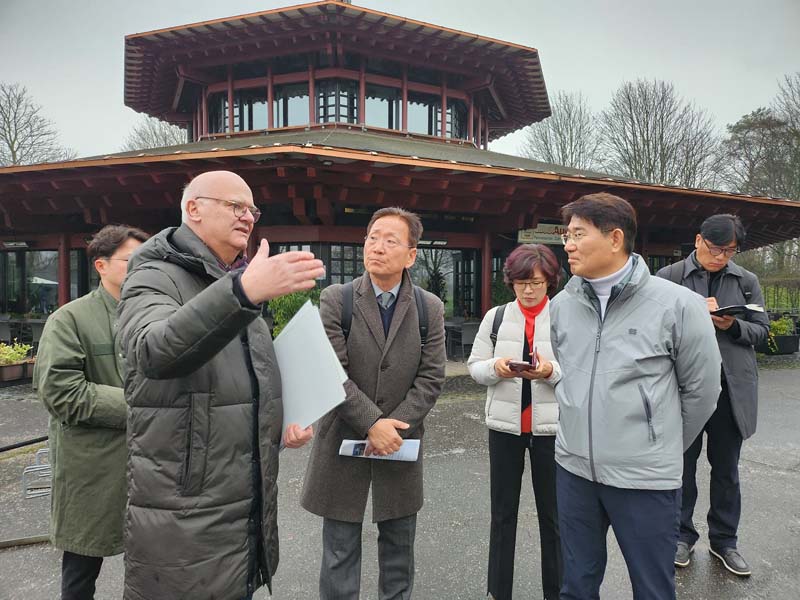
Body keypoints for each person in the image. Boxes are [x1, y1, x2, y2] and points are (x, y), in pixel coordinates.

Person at [116, 170, 324, 600]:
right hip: (186, 513)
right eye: (235, 206)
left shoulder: (235, 279)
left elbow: (239, 389)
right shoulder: (156, 273)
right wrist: (244, 292)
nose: (247, 217)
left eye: (252, 209)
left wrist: (282, 426)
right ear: (193, 208)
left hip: (242, 513)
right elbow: (152, 351)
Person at [549, 192, 722, 600]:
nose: (567, 245)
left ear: (614, 238)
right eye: (566, 235)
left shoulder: (678, 305)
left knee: (652, 589)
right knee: (575, 586)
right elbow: (566, 376)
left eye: (577, 234)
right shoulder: (561, 306)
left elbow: (702, 390)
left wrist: (659, 446)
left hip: (645, 479)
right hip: (573, 471)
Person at [300, 207, 446, 600]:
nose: (377, 247)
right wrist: (371, 424)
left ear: (411, 255)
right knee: (339, 552)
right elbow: (333, 373)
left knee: (399, 548)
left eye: (390, 240)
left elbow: (432, 377)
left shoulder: (428, 307)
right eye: (372, 237)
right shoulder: (337, 299)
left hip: (401, 440)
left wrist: (393, 426)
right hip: (342, 441)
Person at [34, 224, 149, 600]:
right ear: (101, 265)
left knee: (157, 570)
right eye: (132, 260)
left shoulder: (157, 317)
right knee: (81, 574)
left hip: (154, 464)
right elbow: (61, 391)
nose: (143, 267)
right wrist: (142, 407)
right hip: (93, 468)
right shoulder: (69, 320)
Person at [656, 214, 768, 576]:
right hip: (684, 390)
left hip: (730, 391)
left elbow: (762, 332)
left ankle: (725, 542)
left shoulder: (747, 280)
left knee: (726, 471)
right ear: (699, 240)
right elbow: (652, 330)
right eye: (717, 248)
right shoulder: (669, 278)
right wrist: (694, 317)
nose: (722, 257)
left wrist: (732, 324)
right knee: (681, 469)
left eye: (730, 251)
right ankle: (680, 537)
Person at [467, 243, 563, 600]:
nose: (528, 289)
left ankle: (557, 591)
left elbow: (581, 374)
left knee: (554, 518)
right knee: (502, 514)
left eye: (536, 282)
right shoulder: (496, 317)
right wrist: (496, 367)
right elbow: (475, 366)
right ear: (511, 282)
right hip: (505, 429)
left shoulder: (565, 317)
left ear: (549, 282)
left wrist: (551, 371)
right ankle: (498, 591)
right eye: (521, 282)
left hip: (551, 431)